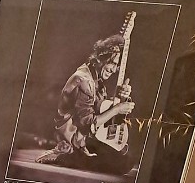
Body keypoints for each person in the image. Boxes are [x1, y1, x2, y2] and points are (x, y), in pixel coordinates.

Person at [36, 34, 135, 175]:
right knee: (122, 164)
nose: (114, 70)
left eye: (117, 66)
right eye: (113, 63)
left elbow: (99, 108)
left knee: (126, 155)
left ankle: (73, 156)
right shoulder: (84, 81)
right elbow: (89, 124)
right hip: (74, 138)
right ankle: (65, 156)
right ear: (101, 58)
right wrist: (117, 109)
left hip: (85, 137)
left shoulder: (95, 78)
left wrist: (122, 97)